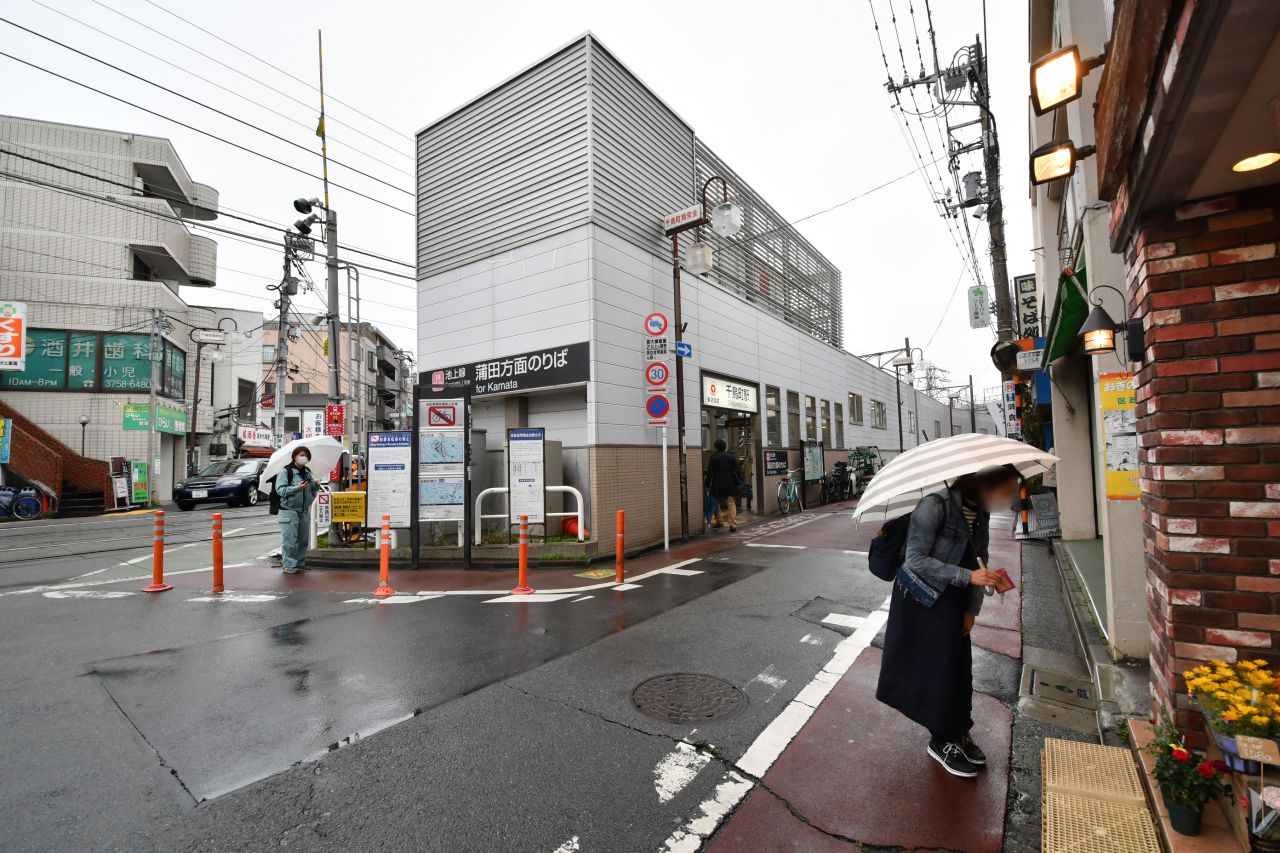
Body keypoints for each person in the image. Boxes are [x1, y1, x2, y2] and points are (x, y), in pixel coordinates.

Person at [875, 464, 1021, 778]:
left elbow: (979, 557)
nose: (1007, 499)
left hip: (953, 597)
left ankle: (957, 729)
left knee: (958, 668)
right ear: (984, 484)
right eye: (1005, 491)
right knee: (937, 670)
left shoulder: (980, 513)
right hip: (921, 598)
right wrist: (968, 576)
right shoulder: (933, 506)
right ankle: (941, 738)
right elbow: (915, 560)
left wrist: (972, 609)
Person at [275, 447, 319, 574]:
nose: (304, 457)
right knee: (290, 540)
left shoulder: (308, 472)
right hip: (289, 511)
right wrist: (296, 488)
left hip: (304, 511)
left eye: (306, 455)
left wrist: (315, 485)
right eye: (301, 455)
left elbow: (311, 491)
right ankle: (289, 565)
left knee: (303, 540)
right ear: (295, 457)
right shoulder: (286, 472)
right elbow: (280, 490)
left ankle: (300, 564)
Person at [705, 438, 741, 532]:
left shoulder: (714, 457)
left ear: (716, 447)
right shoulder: (731, 457)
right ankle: (732, 524)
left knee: (715, 502)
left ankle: (719, 521)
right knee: (731, 503)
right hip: (730, 483)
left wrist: (707, 484)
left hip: (718, 483)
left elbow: (710, 472)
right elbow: (737, 471)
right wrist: (738, 481)